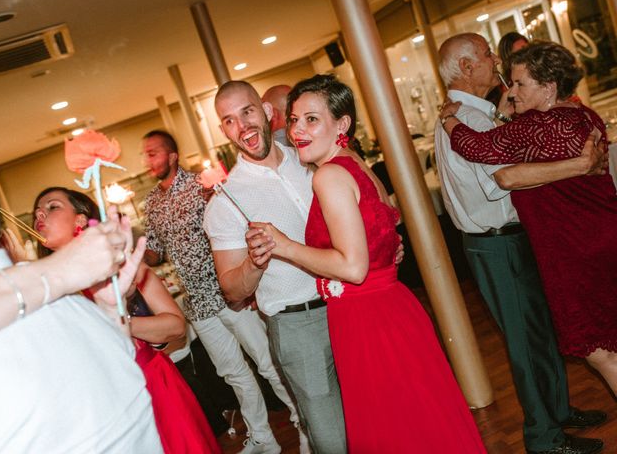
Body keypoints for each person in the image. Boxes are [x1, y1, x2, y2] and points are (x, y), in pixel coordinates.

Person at [244, 74, 486, 453]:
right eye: (293, 120)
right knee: (420, 424)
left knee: (394, 432)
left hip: (366, 320)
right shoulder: (354, 162)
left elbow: (353, 268)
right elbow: (388, 226)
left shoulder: (329, 175)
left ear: (342, 124)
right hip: (393, 308)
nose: (297, 131)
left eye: (311, 119)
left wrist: (284, 245)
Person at [435, 33, 606, 454]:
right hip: (497, 243)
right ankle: (543, 438)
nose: (496, 60)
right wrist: (579, 166)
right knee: (526, 344)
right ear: (467, 68)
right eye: (488, 54)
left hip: (509, 239)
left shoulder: (478, 113)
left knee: (540, 332)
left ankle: (559, 411)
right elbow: (508, 177)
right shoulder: (469, 120)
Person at [0, 154, 163, 453]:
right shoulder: (73, 301)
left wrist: (109, 309)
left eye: (52, 208)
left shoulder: (74, 294)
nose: (41, 217)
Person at [206, 80, 345, 454]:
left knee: (374, 415)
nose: (243, 126)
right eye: (230, 121)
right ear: (225, 131)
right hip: (298, 326)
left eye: (247, 112)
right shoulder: (226, 202)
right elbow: (233, 290)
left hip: (351, 306)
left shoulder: (310, 159)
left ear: (267, 112)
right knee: (332, 441)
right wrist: (255, 262)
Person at [141, 130, 300, 454]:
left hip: (228, 292)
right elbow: (155, 254)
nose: (148, 161)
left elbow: (236, 230)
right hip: (197, 303)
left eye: (154, 153)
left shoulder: (201, 186)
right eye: (145, 154)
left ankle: (302, 423)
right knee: (234, 374)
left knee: (267, 363)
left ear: (172, 156)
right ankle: (263, 439)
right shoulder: (152, 202)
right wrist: (129, 250)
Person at [32, 187, 220, 454]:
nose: (40, 214)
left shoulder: (119, 265)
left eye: (52, 207)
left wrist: (114, 322)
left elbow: (176, 327)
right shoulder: (47, 287)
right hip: (101, 403)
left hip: (152, 384)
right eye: (36, 213)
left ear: (81, 219)